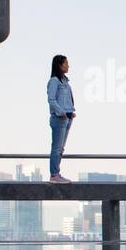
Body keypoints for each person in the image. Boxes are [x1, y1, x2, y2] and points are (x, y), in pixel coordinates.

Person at [46, 54, 75, 183]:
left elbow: (66, 100)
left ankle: (56, 173)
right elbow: (51, 100)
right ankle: (54, 175)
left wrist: (70, 112)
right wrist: (62, 112)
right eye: (66, 63)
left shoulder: (65, 81)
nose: (68, 65)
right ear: (59, 65)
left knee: (61, 148)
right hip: (59, 118)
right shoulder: (54, 81)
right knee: (56, 147)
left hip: (67, 117)